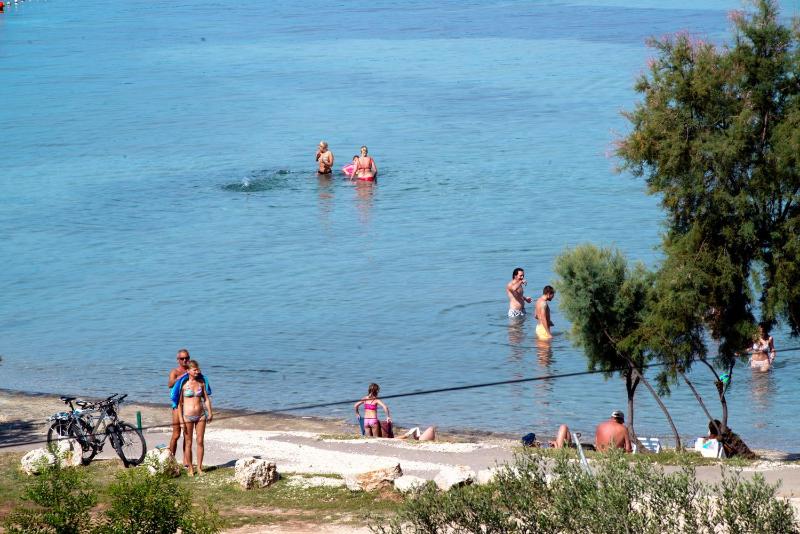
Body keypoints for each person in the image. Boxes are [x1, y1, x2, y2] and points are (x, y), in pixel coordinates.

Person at [178, 360, 213, 476]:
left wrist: (210, 412)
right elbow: (179, 404)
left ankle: (199, 468)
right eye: (195, 369)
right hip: (187, 416)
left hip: (201, 415)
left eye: (198, 369)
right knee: (188, 442)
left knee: (200, 441)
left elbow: (206, 399)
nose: (198, 371)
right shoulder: (183, 385)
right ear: (188, 371)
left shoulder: (201, 383)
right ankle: (190, 469)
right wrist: (181, 420)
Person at [167, 349, 191, 458]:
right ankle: (171, 459)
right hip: (177, 405)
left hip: (189, 405)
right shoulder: (175, 371)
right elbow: (170, 384)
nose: (185, 360)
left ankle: (186, 462)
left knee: (187, 435)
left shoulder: (192, 370)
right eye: (182, 358)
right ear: (178, 360)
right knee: (176, 434)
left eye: (186, 358)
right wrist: (181, 377)